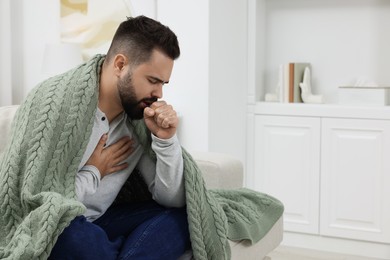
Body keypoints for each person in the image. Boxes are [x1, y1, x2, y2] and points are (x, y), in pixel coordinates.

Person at [0, 14, 284, 260]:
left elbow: (171, 198)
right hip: (64, 223)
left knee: (190, 216)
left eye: (163, 83)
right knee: (71, 236)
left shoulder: (137, 119)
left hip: (106, 219)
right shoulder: (53, 103)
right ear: (121, 65)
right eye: (153, 81)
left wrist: (165, 140)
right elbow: (34, 205)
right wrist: (94, 171)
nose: (159, 94)